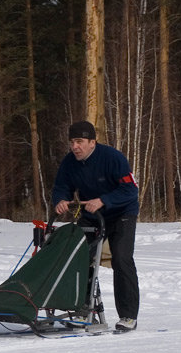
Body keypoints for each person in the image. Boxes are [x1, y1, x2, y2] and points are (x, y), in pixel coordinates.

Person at [51, 120, 140, 331]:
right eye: (72, 142)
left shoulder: (112, 158)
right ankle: (83, 310)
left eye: (80, 142)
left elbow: (130, 190)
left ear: (92, 142)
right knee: (78, 258)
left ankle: (128, 316)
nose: (75, 147)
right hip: (92, 216)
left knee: (121, 258)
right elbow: (61, 186)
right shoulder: (69, 162)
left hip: (122, 213)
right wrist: (61, 200)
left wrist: (104, 200)